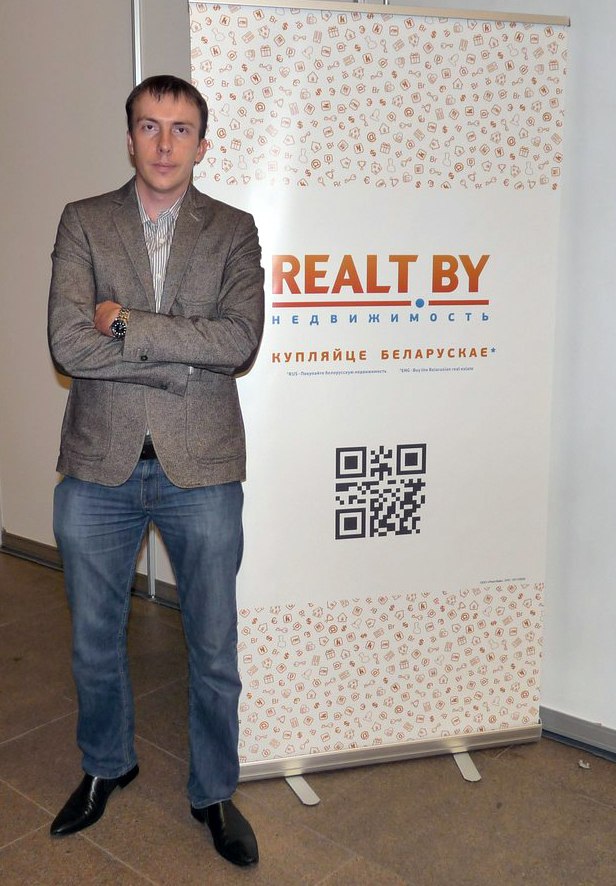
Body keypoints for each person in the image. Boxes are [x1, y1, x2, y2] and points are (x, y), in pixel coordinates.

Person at [47, 74, 264, 867]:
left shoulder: (234, 230)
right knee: (92, 639)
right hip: (96, 465)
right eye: (149, 126)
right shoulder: (84, 221)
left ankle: (214, 790)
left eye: (180, 130)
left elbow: (237, 341)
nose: (164, 144)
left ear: (202, 145)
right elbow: (67, 344)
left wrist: (127, 325)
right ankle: (107, 763)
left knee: (213, 644)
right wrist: (180, 359)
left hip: (202, 467)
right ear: (129, 137)